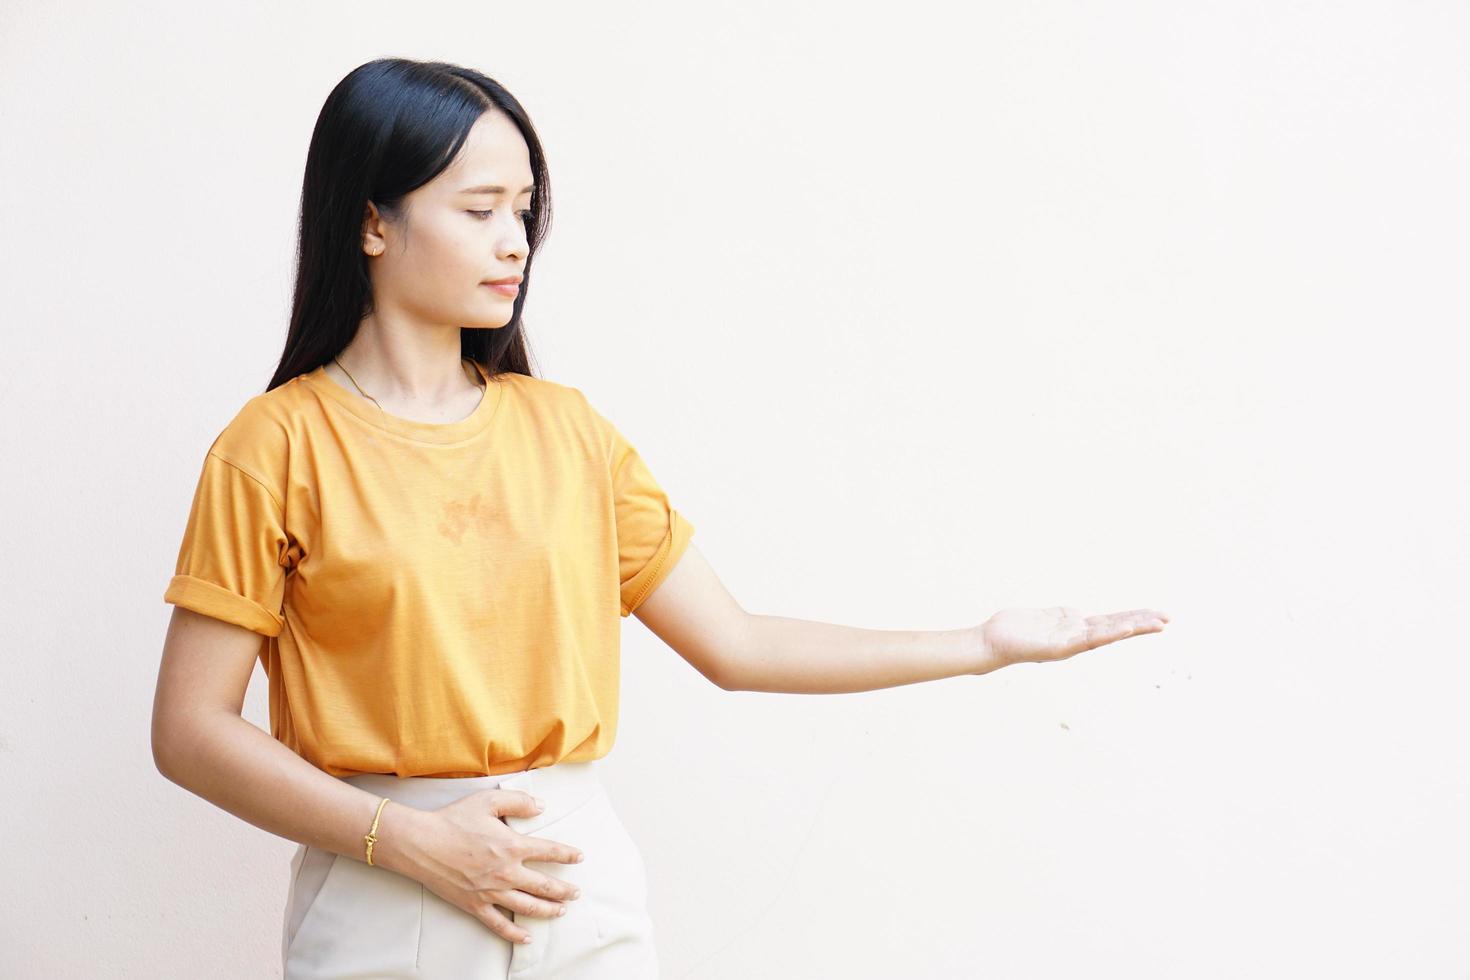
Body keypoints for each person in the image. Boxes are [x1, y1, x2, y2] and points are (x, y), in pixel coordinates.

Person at [150, 58, 1170, 980]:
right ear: (375, 223)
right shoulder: (275, 446)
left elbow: (738, 641)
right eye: (479, 209)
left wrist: (982, 643)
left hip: (578, 879)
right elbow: (190, 729)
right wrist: (404, 840)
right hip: (387, 888)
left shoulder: (567, 430)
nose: (514, 241)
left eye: (524, 210)